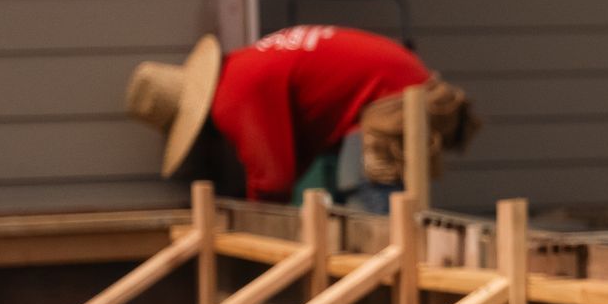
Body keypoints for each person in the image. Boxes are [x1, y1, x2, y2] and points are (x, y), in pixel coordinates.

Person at [125, 26, 478, 212]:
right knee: (331, 184)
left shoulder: (233, 98)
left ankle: (390, 289)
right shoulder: (243, 68)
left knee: (370, 199)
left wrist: (253, 226)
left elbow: (274, 180)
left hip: (394, 99)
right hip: (397, 81)